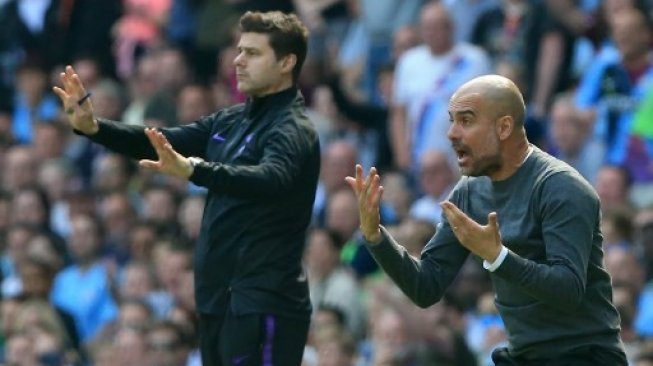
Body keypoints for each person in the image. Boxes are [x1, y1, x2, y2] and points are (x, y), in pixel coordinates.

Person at [53, 11, 320, 366]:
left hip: (264, 300)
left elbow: (271, 178)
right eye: (239, 51)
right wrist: (94, 128)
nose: (238, 61)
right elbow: (164, 142)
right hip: (218, 299)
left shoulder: (293, 128)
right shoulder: (231, 119)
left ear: (287, 62)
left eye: (253, 53)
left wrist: (195, 169)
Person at [347, 74, 627, 365]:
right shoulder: (469, 191)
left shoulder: (561, 187)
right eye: (452, 120)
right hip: (523, 357)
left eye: (466, 121)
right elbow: (425, 286)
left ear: (504, 127)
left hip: (585, 357)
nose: (452, 133)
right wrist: (375, 236)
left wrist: (497, 256)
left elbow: (568, 290)